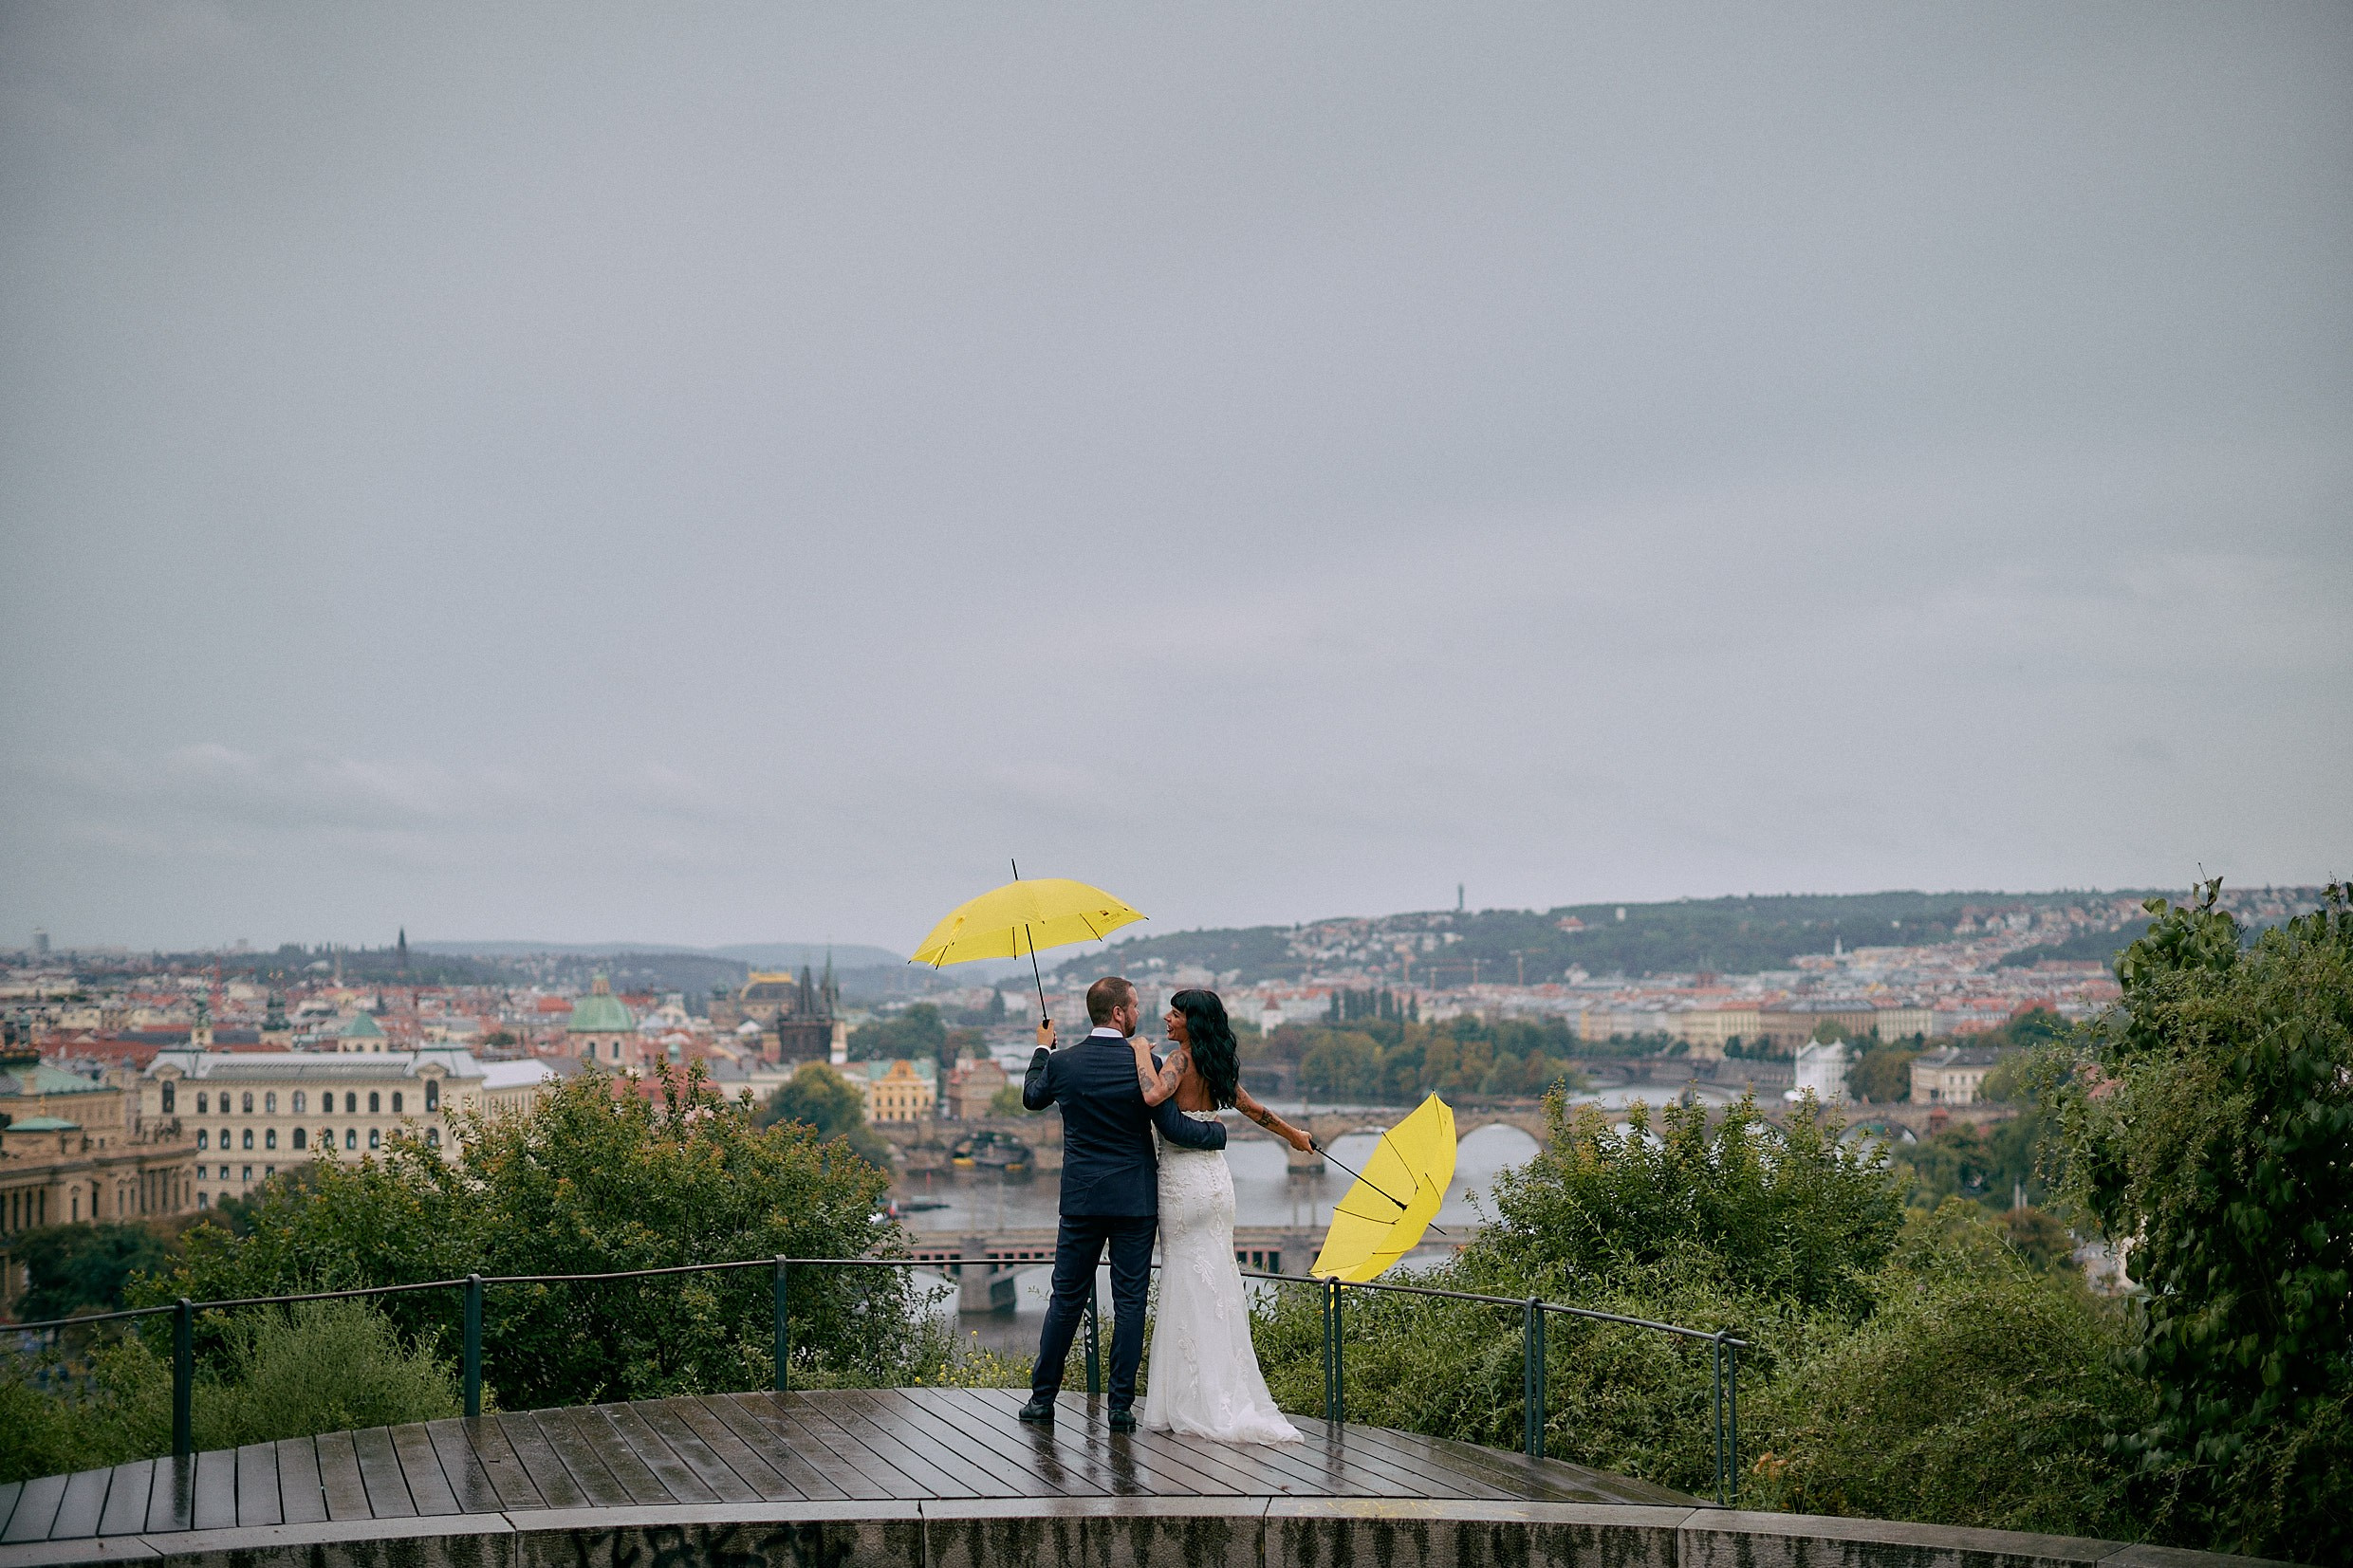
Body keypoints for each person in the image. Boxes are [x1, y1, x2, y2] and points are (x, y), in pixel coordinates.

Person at [1018, 975, 1228, 1431]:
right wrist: (1218, 1132)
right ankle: (1119, 1408)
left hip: (1081, 1200)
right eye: (1134, 1006)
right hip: (1135, 1200)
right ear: (1118, 1013)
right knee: (1129, 1304)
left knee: (1065, 1301)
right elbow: (1175, 1127)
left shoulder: (1063, 1064)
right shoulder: (1147, 1065)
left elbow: (1032, 1098)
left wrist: (1043, 1050)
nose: (1139, 1013)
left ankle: (1041, 1400)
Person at [1128, 987, 1309, 1443]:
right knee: (1218, 1281)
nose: (1167, 1018)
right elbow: (1252, 1110)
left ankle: (1189, 1399)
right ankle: (1223, 1390)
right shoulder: (1218, 1064)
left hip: (1183, 1184)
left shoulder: (1181, 1062)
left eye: (1176, 1012)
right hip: (1217, 1184)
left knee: (1185, 1280)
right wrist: (1294, 1136)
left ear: (1192, 1021)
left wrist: (1138, 1052)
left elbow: (1152, 1097)